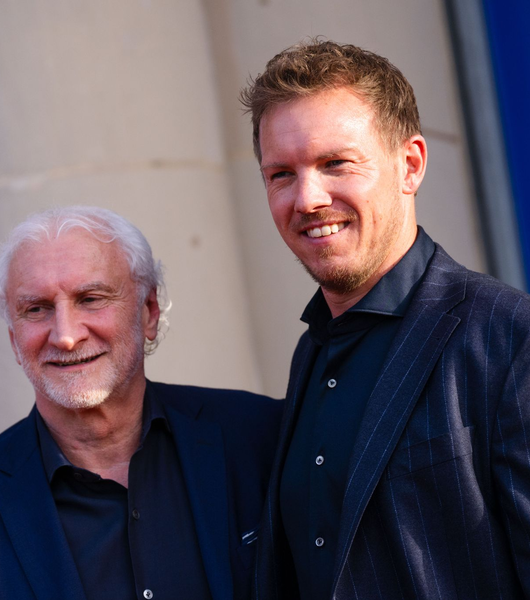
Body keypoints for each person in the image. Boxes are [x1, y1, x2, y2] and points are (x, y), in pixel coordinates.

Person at [240, 40, 530, 599]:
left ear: (410, 164)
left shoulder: (510, 338)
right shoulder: (311, 356)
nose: (308, 198)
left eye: (335, 164)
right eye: (281, 174)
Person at [0, 206, 282, 600]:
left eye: (91, 298)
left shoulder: (262, 437)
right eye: (36, 309)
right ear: (14, 340)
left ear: (148, 312)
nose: (65, 336)